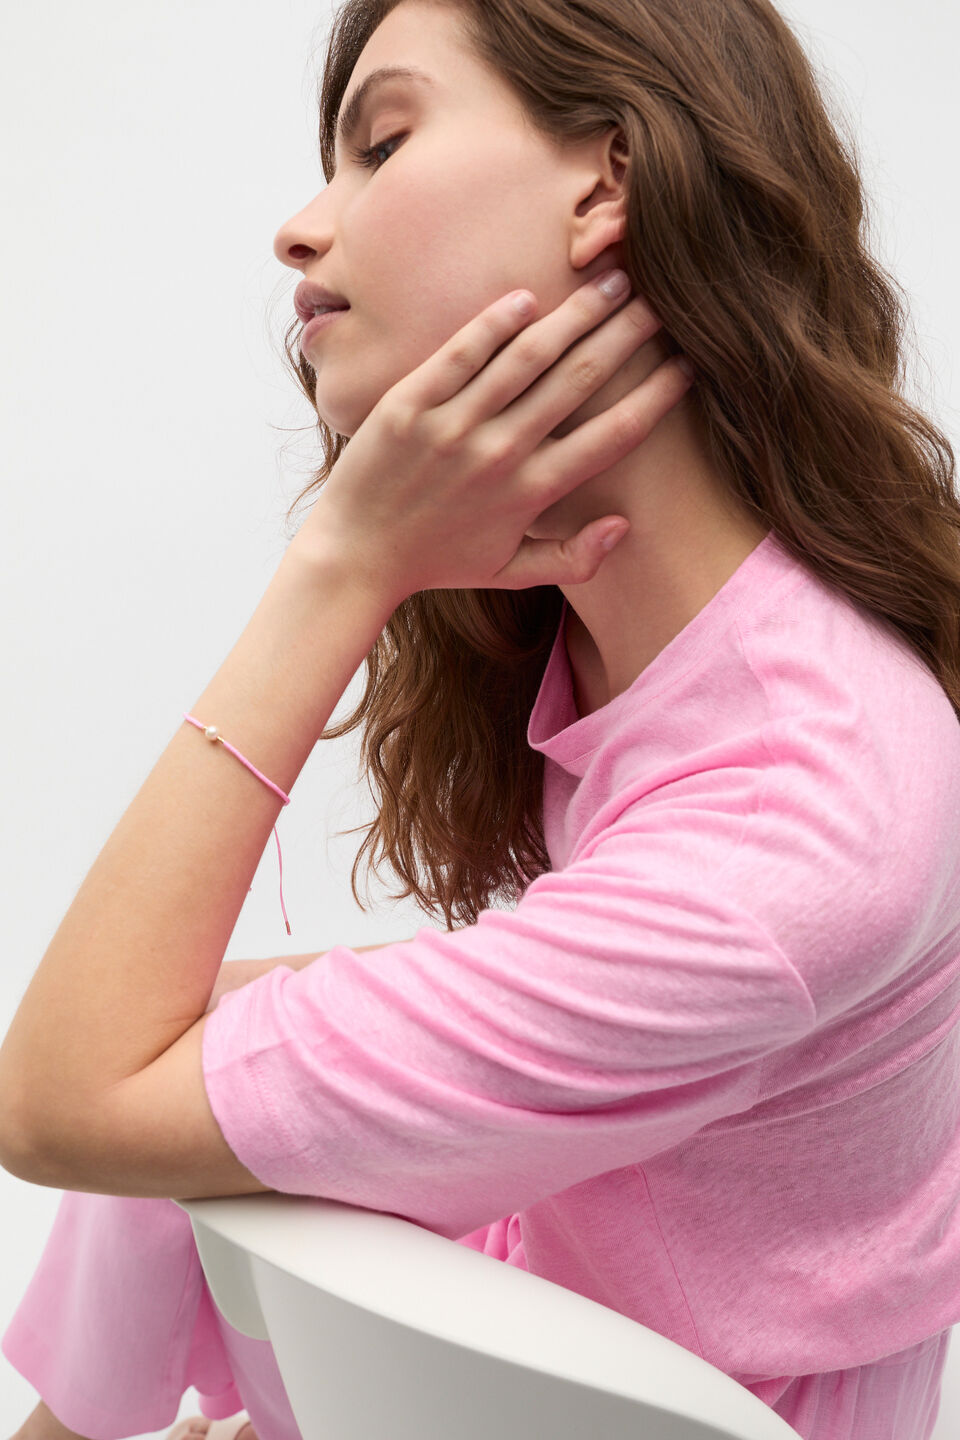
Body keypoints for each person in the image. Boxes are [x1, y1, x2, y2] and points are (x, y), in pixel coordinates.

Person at [4, 0, 960, 1438]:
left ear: (608, 182)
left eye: (382, 143)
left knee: (168, 1078)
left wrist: (343, 564)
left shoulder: (799, 820)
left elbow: (58, 1100)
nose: (303, 230)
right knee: (200, 1038)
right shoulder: (680, 649)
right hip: (529, 1341)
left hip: (608, 1406)